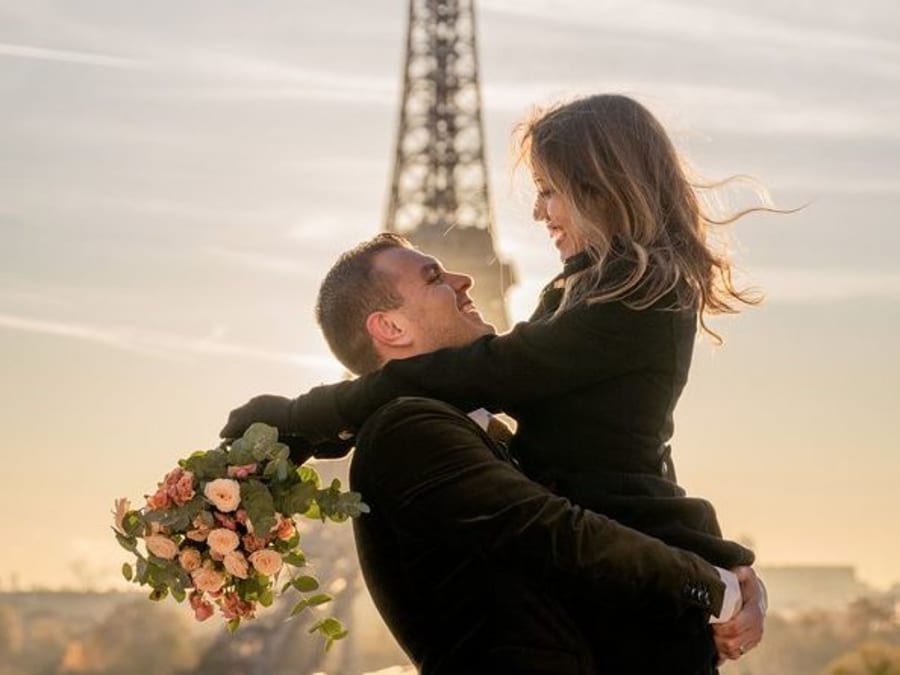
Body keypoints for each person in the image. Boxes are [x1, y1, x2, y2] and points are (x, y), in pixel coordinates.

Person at [221, 94, 770, 669]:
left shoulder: (631, 298)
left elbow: (489, 371)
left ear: (600, 188)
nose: (539, 212)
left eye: (549, 190)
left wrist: (308, 417)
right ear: (387, 326)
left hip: (639, 589)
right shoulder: (590, 293)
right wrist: (717, 578)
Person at [310, 234, 764, 673]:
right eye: (434, 278)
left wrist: (735, 581)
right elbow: (562, 534)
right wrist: (714, 589)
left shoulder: (491, 435)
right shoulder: (407, 430)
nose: (463, 279)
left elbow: (618, 512)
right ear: (390, 327)